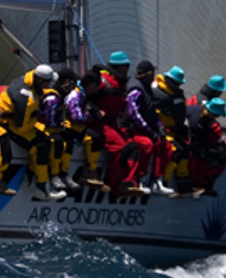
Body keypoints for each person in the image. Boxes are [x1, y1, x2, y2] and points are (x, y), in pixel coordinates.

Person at [0, 64, 66, 201]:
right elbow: (21, 126)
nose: (49, 85)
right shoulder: (25, 97)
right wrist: (38, 123)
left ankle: (32, 179)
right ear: (40, 81)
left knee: (48, 140)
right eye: (48, 82)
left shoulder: (29, 80)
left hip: (21, 121)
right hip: (9, 124)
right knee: (40, 147)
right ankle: (39, 185)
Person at [95, 51, 149, 197]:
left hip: (114, 123)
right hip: (100, 124)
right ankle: (114, 186)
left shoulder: (121, 84)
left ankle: (128, 181)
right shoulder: (101, 80)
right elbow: (84, 95)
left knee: (134, 147)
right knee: (121, 148)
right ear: (116, 66)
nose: (126, 69)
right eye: (124, 66)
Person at [124, 60, 168, 196]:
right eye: (152, 73)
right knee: (146, 144)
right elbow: (133, 113)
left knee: (164, 144)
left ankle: (157, 181)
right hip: (135, 130)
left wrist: (159, 126)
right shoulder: (136, 90)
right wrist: (148, 130)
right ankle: (140, 179)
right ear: (148, 74)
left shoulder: (147, 88)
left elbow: (151, 111)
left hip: (147, 129)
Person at [152, 65, 198, 196]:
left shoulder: (173, 93)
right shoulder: (158, 91)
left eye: (179, 84)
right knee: (175, 151)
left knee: (185, 149)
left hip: (172, 130)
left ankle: (184, 186)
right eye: (176, 83)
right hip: (160, 130)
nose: (178, 86)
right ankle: (163, 183)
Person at [64, 70, 107, 189]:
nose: (98, 89)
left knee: (99, 136)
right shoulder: (75, 95)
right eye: (98, 86)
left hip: (73, 125)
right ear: (92, 85)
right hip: (67, 125)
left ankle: (90, 170)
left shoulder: (83, 94)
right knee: (94, 137)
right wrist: (90, 117)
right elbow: (76, 116)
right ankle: (89, 171)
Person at [188, 97, 226, 196]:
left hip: (193, 146)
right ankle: (207, 184)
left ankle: (195, 183)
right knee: (223, 155)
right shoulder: (214, 127)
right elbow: (220, 141)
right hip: (204, 151)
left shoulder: (193, 111)